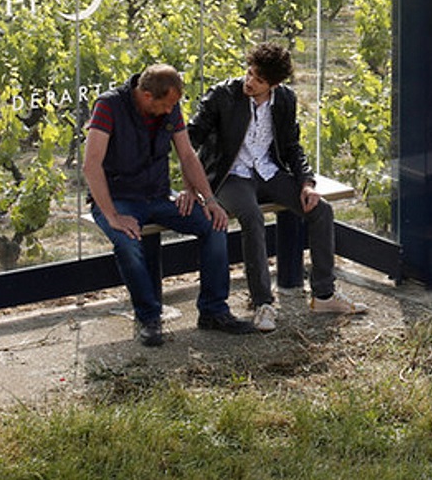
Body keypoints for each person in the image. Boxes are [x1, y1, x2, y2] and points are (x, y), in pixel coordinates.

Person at [188, 43, 369, 333]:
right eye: (249, 73)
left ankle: (323, 294)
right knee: (252, 217)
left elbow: (291, 146)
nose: (249, 82)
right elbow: (189, 138)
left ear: (274, 83)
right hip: (230, 176)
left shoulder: (285, 100)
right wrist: (192, 185)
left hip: (269, 172)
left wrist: (307, 183)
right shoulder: (223, 95)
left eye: (258, 80)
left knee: (321, 210)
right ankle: (263, 303)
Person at [83, 63, 256, 346]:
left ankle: (213, 311)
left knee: (215, 225)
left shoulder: (169, 106)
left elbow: (187, 155)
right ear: (148, 96)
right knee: (127, 243)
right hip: (118, 199)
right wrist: (112, 215)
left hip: (159, 196)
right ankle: (149, 318)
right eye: (166, 105)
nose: (170, 111)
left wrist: (209, 200)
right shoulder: (109, 106)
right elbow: (91, 166)